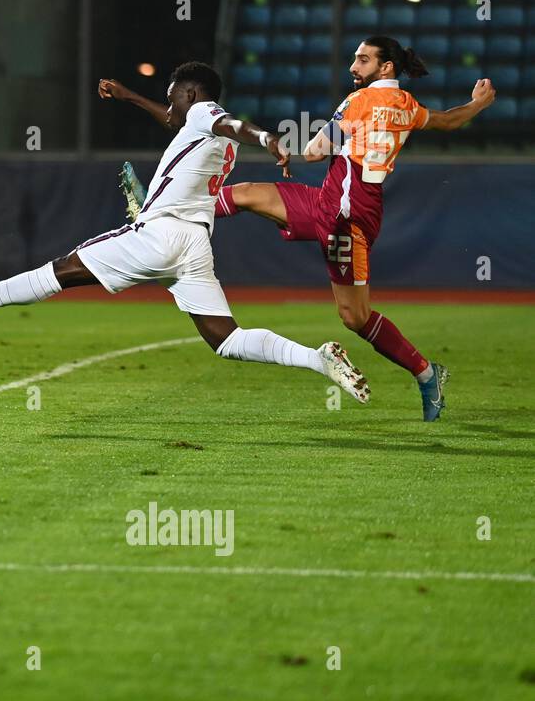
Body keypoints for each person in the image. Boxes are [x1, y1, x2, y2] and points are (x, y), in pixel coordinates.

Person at [0, 62, 371, 407]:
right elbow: (180, 121)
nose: (169, 103)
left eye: (172, 94)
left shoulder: (210, 116)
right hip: (194, 247)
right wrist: (129, 95)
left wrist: (269, 138)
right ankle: (317, 358)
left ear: (192, 93)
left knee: (58, 272)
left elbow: (229, 123)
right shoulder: (201, 129)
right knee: (226, 339)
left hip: (160, 235)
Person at [173, 38, 494, 422]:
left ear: (386, 67)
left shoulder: (359, 101)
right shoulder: (407, 106)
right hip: (336, 202)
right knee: (244, 194)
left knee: (355, 317)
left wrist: (285, 144)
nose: (353, 67)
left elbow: (314, 151)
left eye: (362, 60)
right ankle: (167, 213)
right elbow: (448, 120)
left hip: (346, 217)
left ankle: (427, 374)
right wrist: (477, 105)